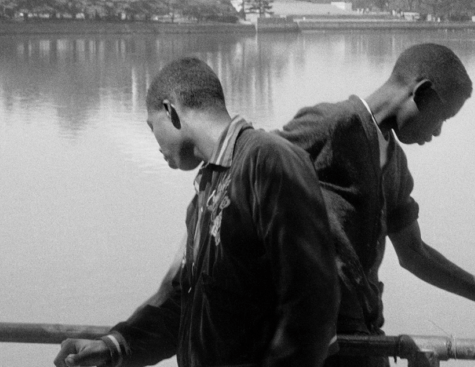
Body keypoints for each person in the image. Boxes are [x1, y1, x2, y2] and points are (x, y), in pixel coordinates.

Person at [275, 43, 475, 366]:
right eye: (442, 117)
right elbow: (246, 172)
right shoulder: (332, 125)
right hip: (307, 343)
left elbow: (414, 254)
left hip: (362, 342)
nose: (437, 132)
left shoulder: (394, 164)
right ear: (421, 92)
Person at [54, 57, 339, 367]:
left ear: (170, 110)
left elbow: (313, 306)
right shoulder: (205, 193)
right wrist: (114, 346)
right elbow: (182, 306)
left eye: (153, 129)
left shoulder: (268, 160)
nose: (158, 146)